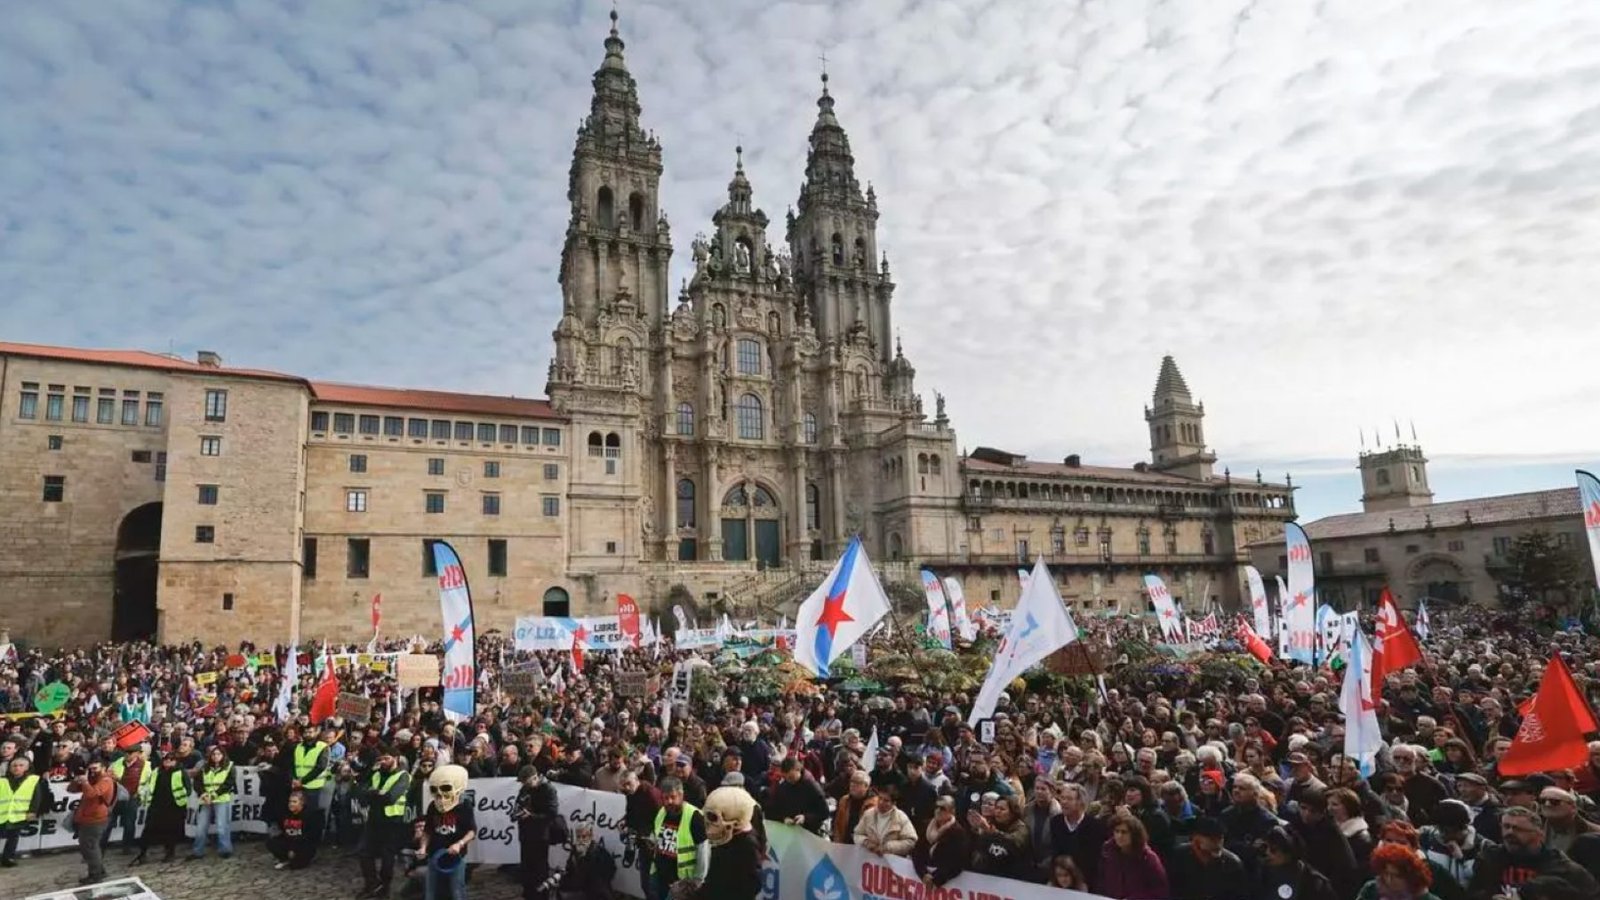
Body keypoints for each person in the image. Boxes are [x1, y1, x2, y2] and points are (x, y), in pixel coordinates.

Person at [1467, 806, 1599, 900]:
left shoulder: (1562, 867)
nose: (1509, 833)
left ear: (1539, 833)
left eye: (1518, 829)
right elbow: (1474, 892)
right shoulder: (1490, 857)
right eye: (1506, 827)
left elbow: (1590, 895)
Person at [358, 745, 413, 898]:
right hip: (374, 819)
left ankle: (385, 887)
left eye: (387, 758)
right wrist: (377, 793)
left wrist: (373, 794)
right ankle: (372, 884)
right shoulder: (375, 774)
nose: (383, 761)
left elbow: (391, 798)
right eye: (381, 759)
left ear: (396, 759)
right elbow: (362, 793)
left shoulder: (403, 776)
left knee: (387, 856)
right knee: (364, 852)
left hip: (392, 821)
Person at [417, 765, 476, 900]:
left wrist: (459, 844)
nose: (440, 796)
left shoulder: (464, 806)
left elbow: (472, 831)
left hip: (456, 858)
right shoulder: (433, 806)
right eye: (435, 790)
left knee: (457, 891)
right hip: (434, 856)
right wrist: (423, 847)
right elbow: (428, 830)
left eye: (445, 788)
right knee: (430, 892)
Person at [514, 765, 567, 900]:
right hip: (526, 834)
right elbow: (518, 803)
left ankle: (540, 896)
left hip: (540, 835)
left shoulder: (548, 789)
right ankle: (529, 894)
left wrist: (531, 816)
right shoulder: (525, 788)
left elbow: (551, 814)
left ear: (535, 778)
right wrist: (517, 813)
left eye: (526, 781)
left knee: (539, 870)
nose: (524, 785)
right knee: (526, 868)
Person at [650, 776, 708, 899]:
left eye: (673, 797)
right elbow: (656, 835)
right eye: (665, 798)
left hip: (682, 883)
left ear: (681, 795)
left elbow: (703, 852)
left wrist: (696, 881)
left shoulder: (695, 817)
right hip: (661, 876)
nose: (668, 802)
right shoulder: (662, 812)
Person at [1169, 817, 1249, 900]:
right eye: (1212, 839)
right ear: (1196, 839)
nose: (1218, 844)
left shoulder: (1232, 864)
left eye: (1220, 838)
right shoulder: (1179, 857)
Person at [132, 751, 188, 865]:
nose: (168, 762)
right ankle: (143, 854)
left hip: (173, 806)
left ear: (175, 761)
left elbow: (188, 788)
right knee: (148, 831)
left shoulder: (180, 772)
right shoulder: (156, 771)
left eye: (171, 760)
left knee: (170, 831)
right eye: (166, 759)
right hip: (156, 805)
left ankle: (170, 853)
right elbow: (149, 785)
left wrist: (181, 801)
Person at [1097, 812, 1170, 900]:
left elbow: (1160, 891)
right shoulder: (1108, 852)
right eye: (1117, 831)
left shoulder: (1148, 858)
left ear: (1134, 835)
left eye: (1124, 832)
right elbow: (1101, 880)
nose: (1119, 836)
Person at [66, 758, 116, 885]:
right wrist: (77, 781)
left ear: (103, 768)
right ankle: (99, 871)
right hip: (87, 817)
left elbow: (92, 794)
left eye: (95, 769)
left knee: (90, 848)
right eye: (91, 769)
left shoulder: (106, 780)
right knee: (91, 847)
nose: (92, 771)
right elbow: (71, 790)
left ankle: (95, 874)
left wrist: (85, 783)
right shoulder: (92, 779)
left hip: (95, 818)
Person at [0, 755, 49, 868]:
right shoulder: (3, 780)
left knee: (13, 838)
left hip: (18, 815)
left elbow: (36, 797)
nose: (17, 768)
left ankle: (8, 858)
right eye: (14, 765)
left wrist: (32, 811)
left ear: (26, 767)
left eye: (21, 765)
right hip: (2, 814)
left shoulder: (32, 780)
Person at [189, 744, 237, 859]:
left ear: (223, 755)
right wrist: (204, 794)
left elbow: (229, 783)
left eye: (218, 754)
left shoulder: (229, 766)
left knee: (222, 825)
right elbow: (198, 783)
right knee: (201, 826)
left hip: (221, 798)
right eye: (213, 754)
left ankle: (225, 849)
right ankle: (198, 851)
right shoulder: (205, 767)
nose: (216, 756)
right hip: (206, 799)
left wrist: (214, 795)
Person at [105, 742, 153, 852]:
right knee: (108, 823)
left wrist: (140, 794)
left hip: (132, 797)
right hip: (116, 797)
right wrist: (113, 778)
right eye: (126, 752)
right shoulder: (118, 763)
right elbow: (108, 775)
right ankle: (101, 846)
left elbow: (148, 783)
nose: (127, 755)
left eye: (130, 753)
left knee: (129, 824)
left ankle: (127, 847)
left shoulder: (145, 765)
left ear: (137, 753)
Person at [915, 795, 970, 889]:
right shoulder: (926, 825)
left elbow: (957, 863)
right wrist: (923, 874)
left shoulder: (958, 832)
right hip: (924, 878)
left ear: (952, 811)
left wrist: (936, 879)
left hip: (943, 883)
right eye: (936, 807)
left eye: (943, 808)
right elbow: (916, 852)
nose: (938, 810)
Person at [1357, 842, 1442, 900]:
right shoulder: (1371, 889)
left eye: (1396, 876)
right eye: (1386, 874)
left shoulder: (1425, 897)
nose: (1389, 880)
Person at [767, 757, 828, 834]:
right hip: (789, 831)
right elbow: (774, 809)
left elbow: (824, 812)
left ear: (798, 770)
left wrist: (805, 818)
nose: (789, 781)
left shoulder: (811, 786)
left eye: (791, 777)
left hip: (809, 833)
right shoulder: (783, 787)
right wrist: (783, 818)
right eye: (786, 778)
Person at [855, 784, 917, 857]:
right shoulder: (868, 814)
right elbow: (857, 834)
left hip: (892, 863)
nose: (881, 802)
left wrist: (888, 847)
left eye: (886, 800)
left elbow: (911, 841)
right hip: (869, 860)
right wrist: (866, 842)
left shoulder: (901, 818)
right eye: (880, 798)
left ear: (893, 803)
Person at [267, 790, 323, 871]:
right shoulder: (286, 814)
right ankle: (285, 858)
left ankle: (304, 858)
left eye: (294, 802)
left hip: (303, 844)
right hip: (290, 840)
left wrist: (294, 849)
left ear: (302, 803)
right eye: (290, 801)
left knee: (295, 865)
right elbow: (283, 831)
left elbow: (311, 836)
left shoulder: (310, 815)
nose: (291, 804)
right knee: (272, 842)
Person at [558, 823, 617, 899]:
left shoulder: (600, 853)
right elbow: (569, 871)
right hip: (579, 889)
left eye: (584, 837)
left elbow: (597, 877)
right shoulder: (576, 851)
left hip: (595, 893)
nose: (581, 840)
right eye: (578, 837)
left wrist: (583, 858)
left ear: (590, 837)